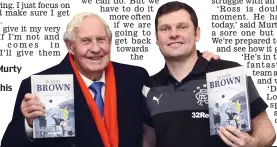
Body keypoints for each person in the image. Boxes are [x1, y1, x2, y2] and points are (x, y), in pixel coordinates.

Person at [1, 12, 219, 147]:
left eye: (101, 39)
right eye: (86, 41)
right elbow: (9, 144)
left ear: (110, 41)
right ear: (70, 47)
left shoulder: (135, 77)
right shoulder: (37, 84)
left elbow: (166, 103)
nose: (96, 49)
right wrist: (29, 124)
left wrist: (198, 63)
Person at [142, 1, 276, 147]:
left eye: (182, 27)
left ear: (197, 33)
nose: (174, 34)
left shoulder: (228, 73)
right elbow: (147, 141)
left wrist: (254, 143)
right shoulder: (149, 87)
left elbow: (267, 130)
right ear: (156, 38)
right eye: (165, 29)